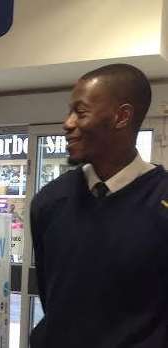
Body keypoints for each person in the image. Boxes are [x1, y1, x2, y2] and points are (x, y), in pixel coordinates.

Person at [30, 64, 168, 347]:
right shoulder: (51, 201)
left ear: (122, 116)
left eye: (80, 113)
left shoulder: (161, 203)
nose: (68, 124)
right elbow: (51, 294)